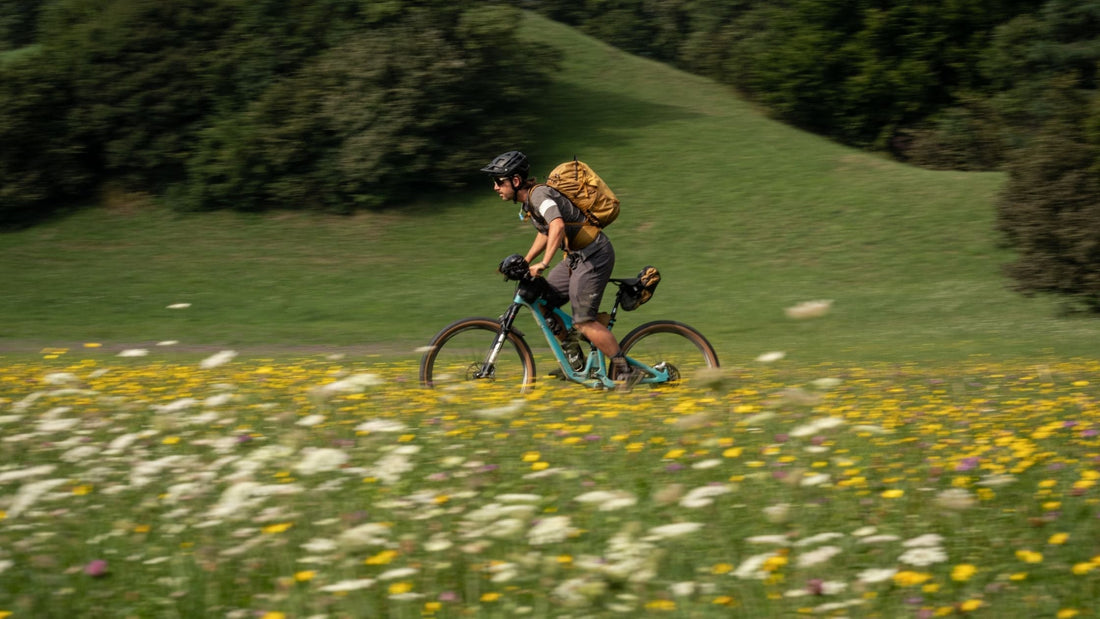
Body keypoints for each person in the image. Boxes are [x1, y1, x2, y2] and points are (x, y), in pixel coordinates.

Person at [481, 150, 639, 387]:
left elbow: (556, 225)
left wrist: (543, 263)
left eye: (499, 182)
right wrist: (526, 261)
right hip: (576, 258)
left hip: (594, 255)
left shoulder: (539, 195)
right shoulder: (531, 202)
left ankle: (626, 371)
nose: (495, 187)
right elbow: (545, 232)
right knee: (540, 297)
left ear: (515, 181)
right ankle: (575, 362)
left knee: (583, 320)